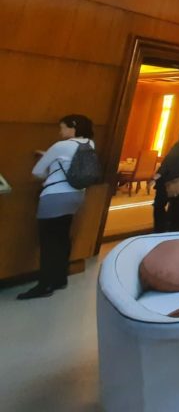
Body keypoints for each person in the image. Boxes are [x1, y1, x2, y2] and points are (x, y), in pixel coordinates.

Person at [19, 114, 94, 300]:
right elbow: (69, 161)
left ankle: (44, 285)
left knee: (48, 241)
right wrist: (51, 156)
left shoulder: (60, 146)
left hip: (54, 197)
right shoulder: (89, 144)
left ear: (73, 127)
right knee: (62, 237)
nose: (60, 131)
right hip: (76, 196)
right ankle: (60, 278)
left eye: (62, 128)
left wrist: (48, 161)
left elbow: (37, 172)